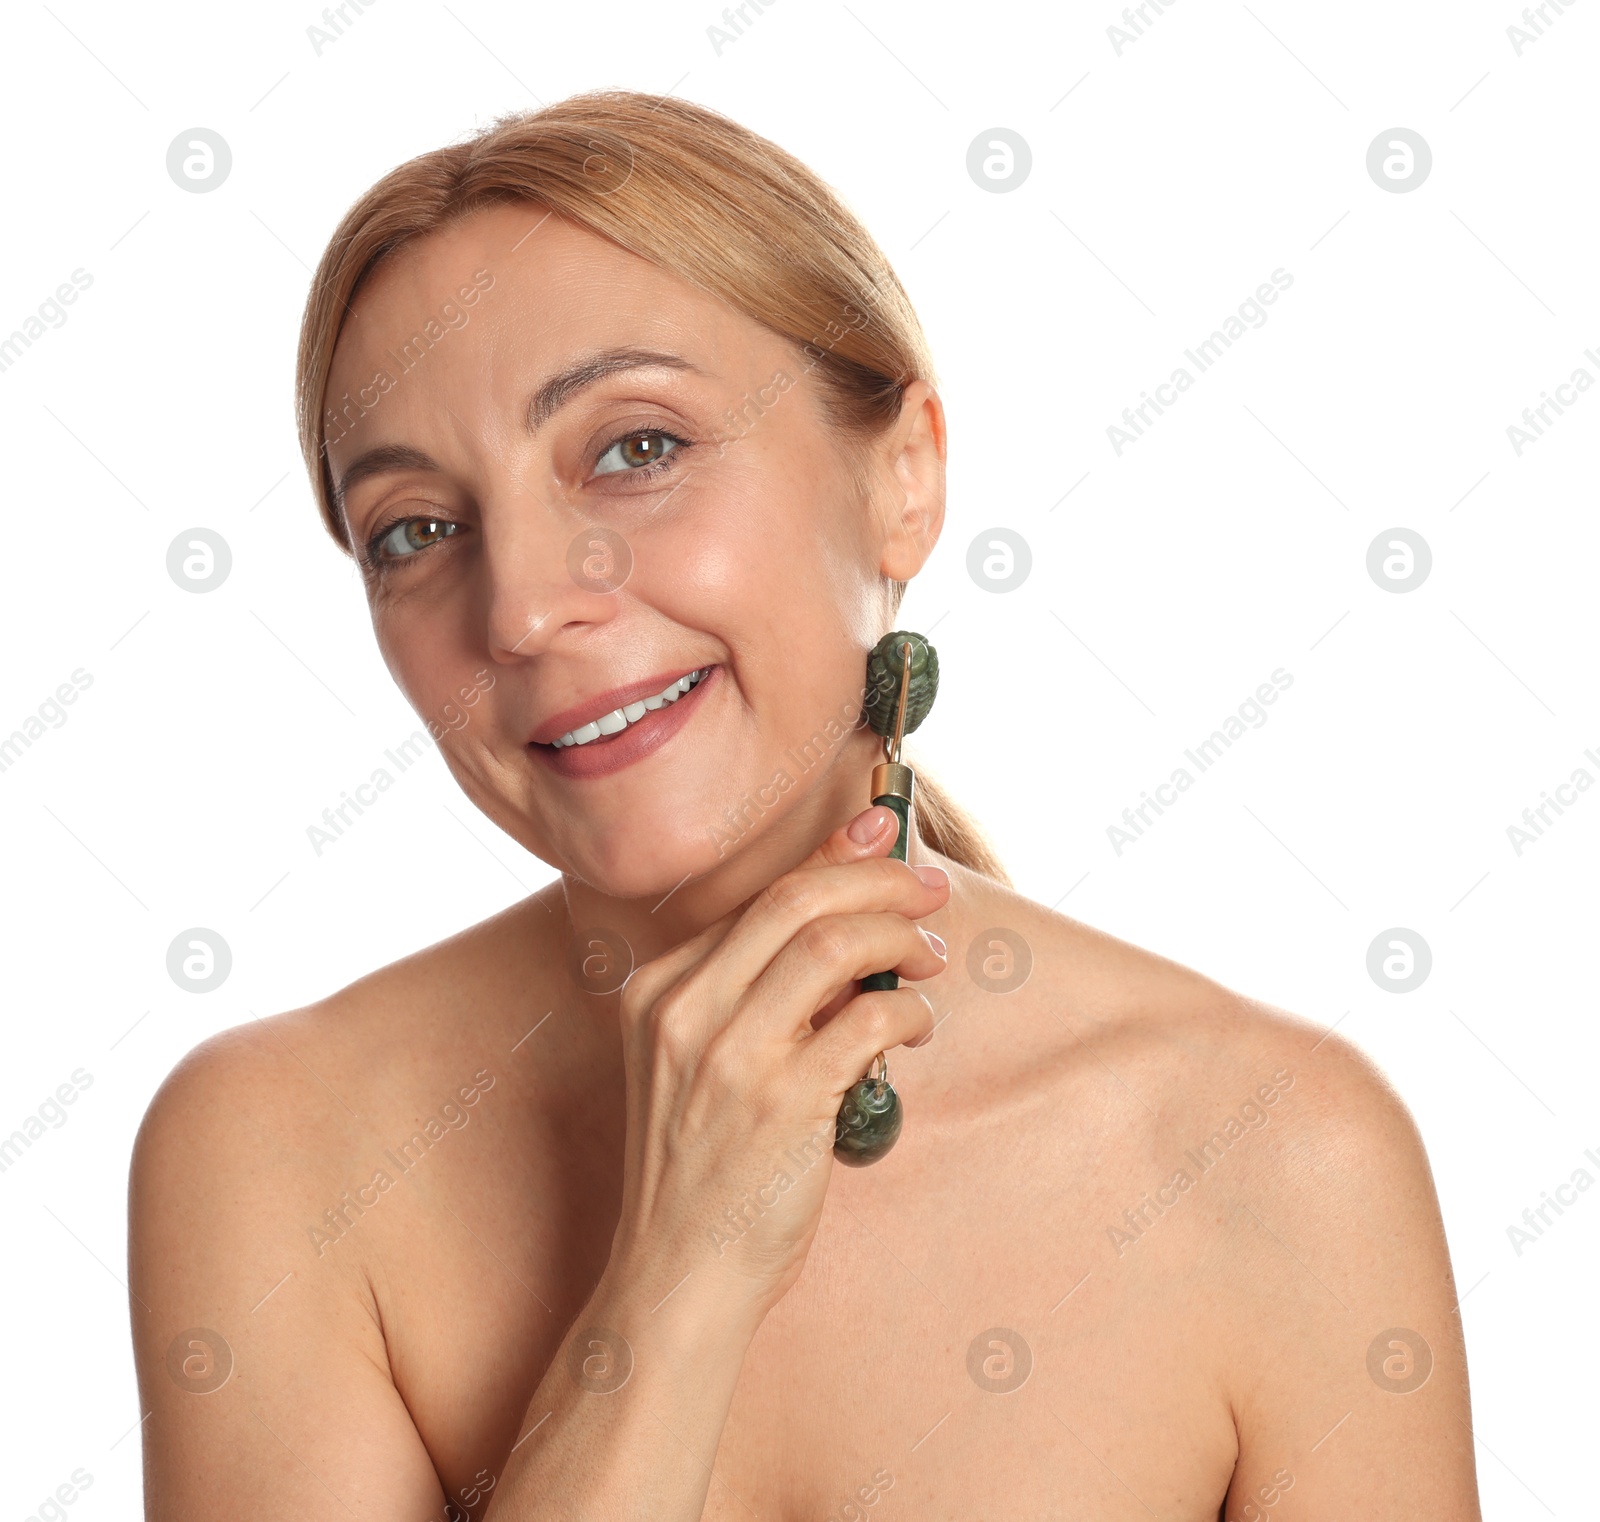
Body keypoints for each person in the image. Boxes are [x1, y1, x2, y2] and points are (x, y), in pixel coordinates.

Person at [128, 90, 1482, 1520]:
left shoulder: (1278, 1156)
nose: (520, 606)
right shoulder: (275, 1152)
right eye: (416, 528)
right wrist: (680, 1272)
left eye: (635, 447)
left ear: (905, 477)